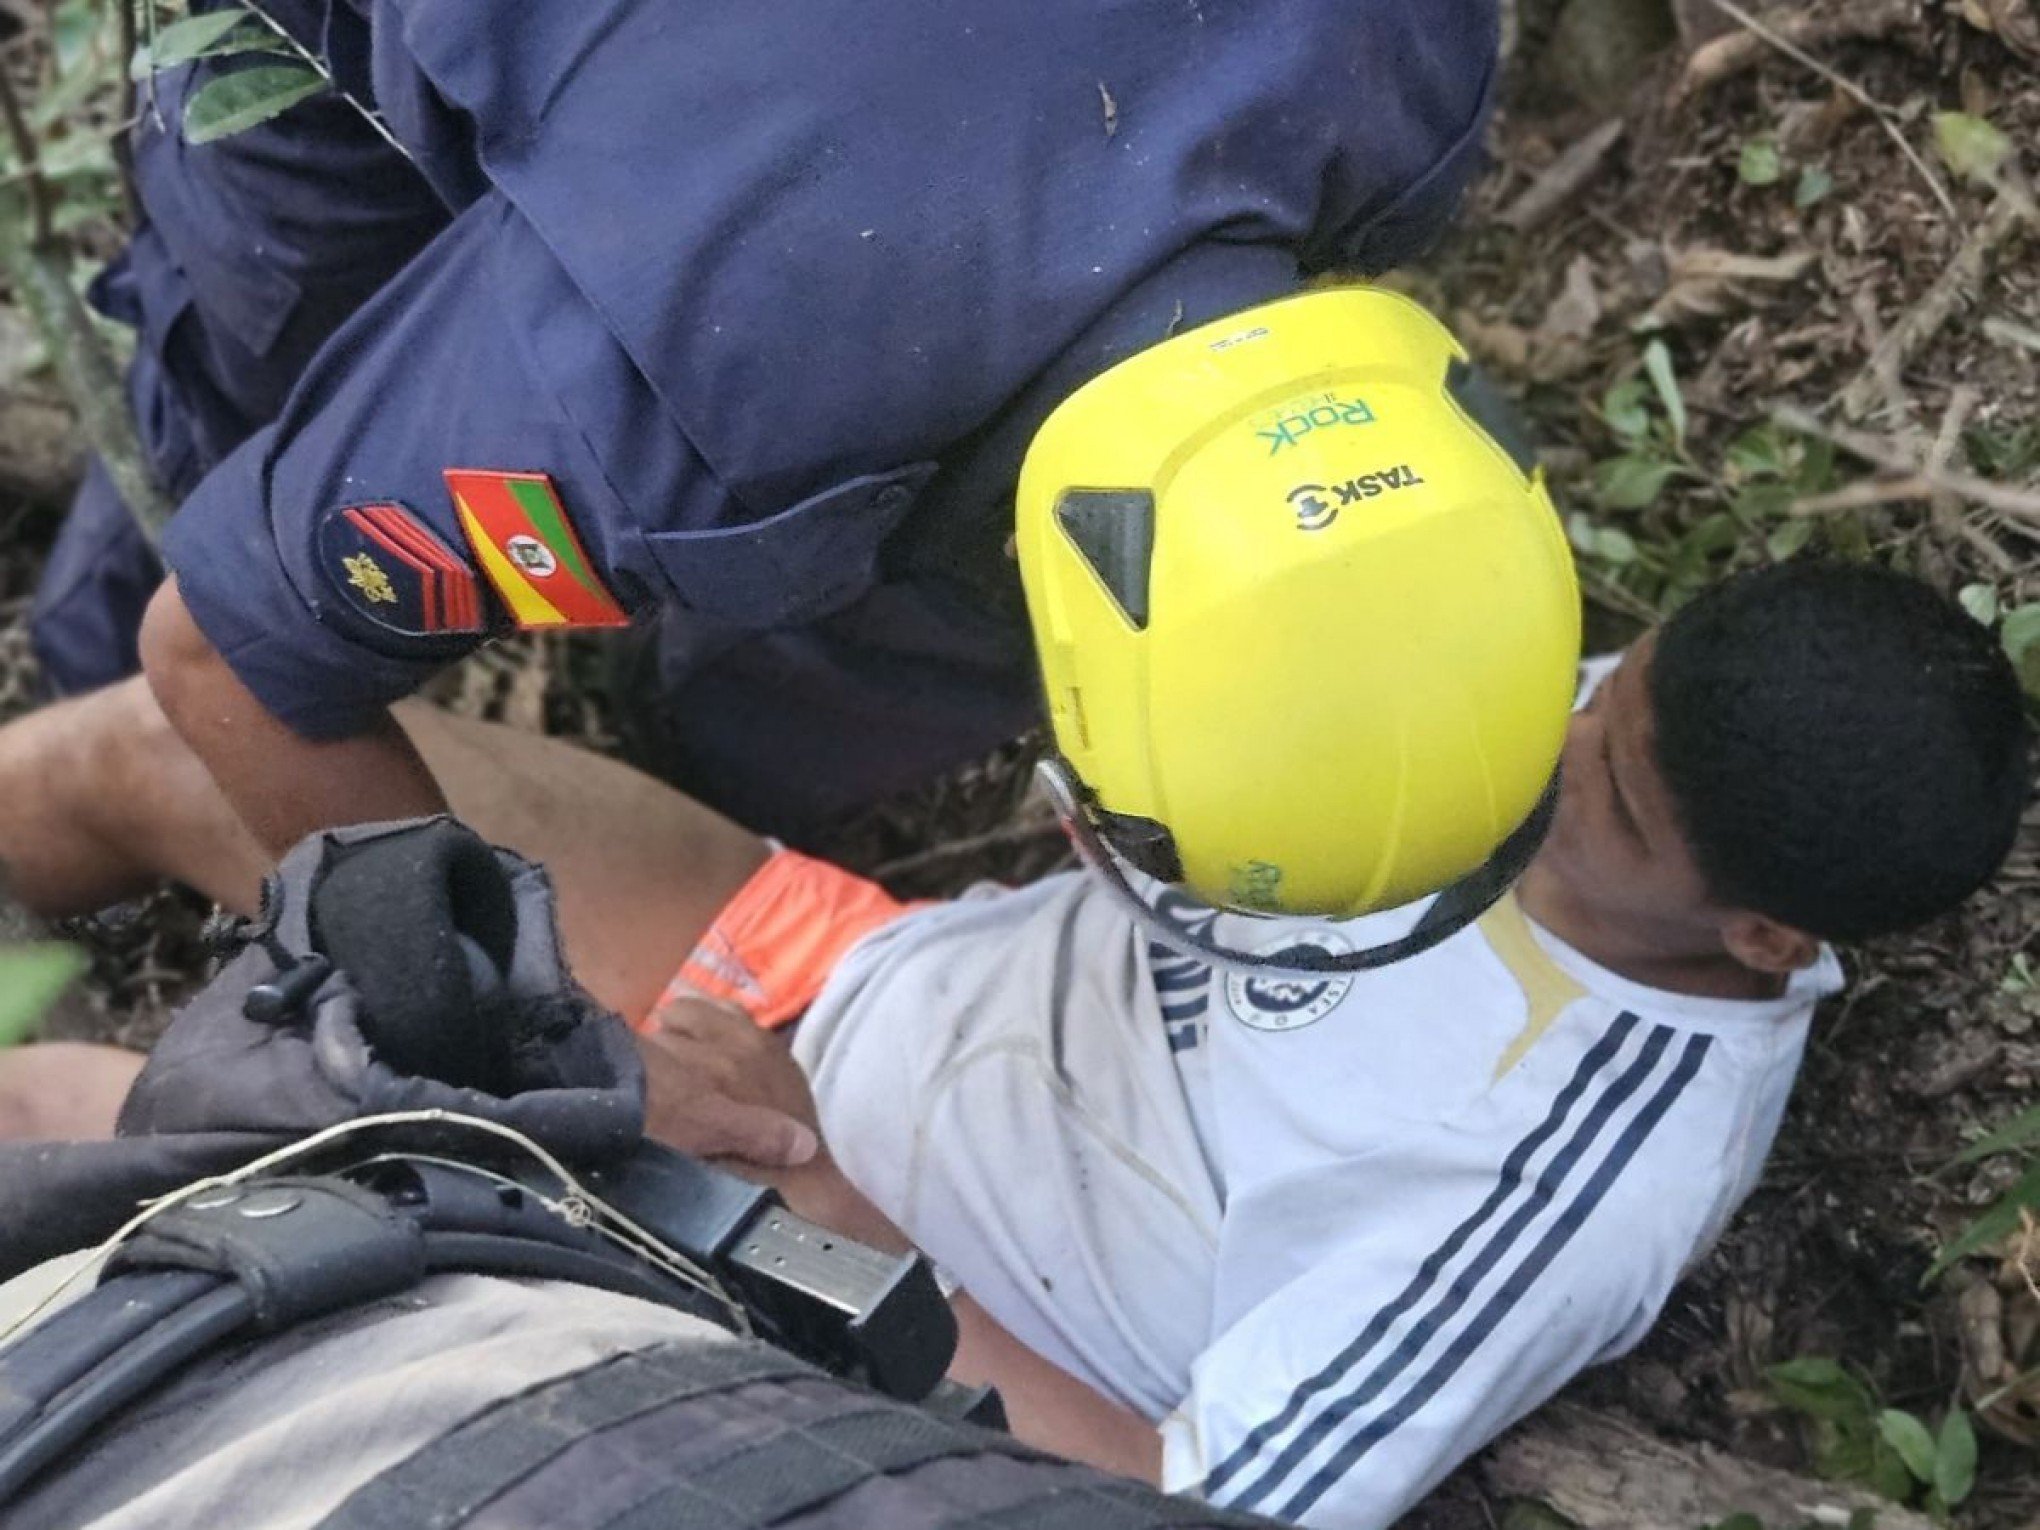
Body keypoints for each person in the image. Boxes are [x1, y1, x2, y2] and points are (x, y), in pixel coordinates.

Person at [4, 551, 2028, 1526]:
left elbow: (1186, 1500)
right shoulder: (1583, 713)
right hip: (835, 963)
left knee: (73, 1121)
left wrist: (788, 1187)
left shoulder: (1556, 1178)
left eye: (1611, 800)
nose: (1552, 748)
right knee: (176, 727)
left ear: (1757, 932)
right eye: (1603, 695)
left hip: (771, 1254)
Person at [34, 0, 1504, 846]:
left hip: (739, 122)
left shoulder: (1414, 66)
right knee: (269, 365)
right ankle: (63, 694)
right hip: (392, 69)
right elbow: (228, 650)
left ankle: (701, 774)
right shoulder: (661, 403)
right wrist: (486, 1015)